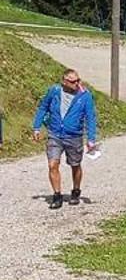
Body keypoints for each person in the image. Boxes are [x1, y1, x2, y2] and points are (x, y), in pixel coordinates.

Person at [32, 68, 97, 210]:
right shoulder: (54, 91)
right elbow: (43, 108)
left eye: (78, 80)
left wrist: (91, 138)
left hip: (74, 136)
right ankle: (57, 195)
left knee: (75, 165)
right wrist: (36, 127)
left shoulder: (85, 96)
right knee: (52, 164)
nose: (77, 83)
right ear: (65, 82)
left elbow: (90, 117)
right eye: (73, 81)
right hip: (55, 134)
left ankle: (76, 190)